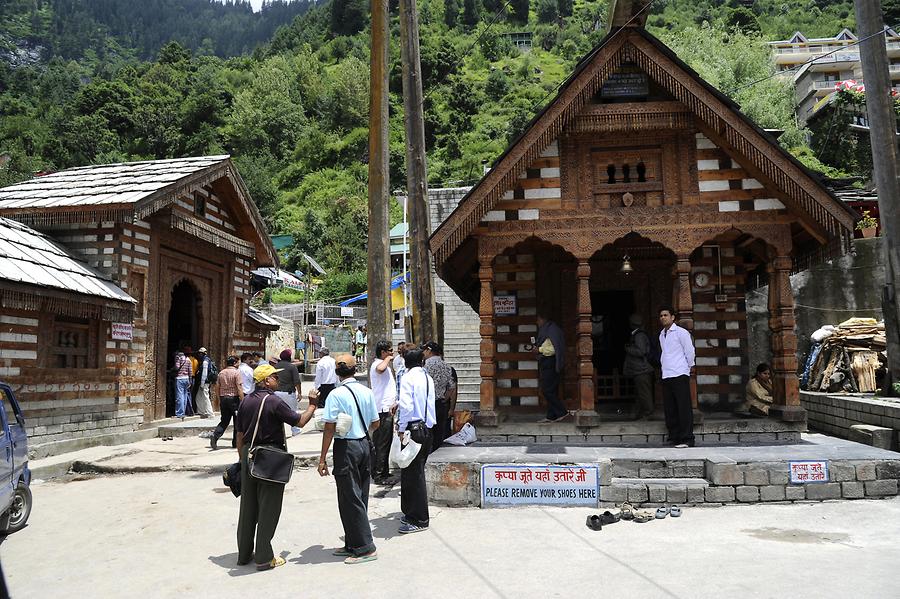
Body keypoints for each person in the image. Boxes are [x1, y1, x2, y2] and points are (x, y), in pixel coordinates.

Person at [235, 363, 317, 570]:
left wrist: (242, 459)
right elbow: (298, 422)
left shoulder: (245, 402)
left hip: (248, 453)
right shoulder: (273, 401)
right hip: (269, 455)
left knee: (248, 507)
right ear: (265, 381)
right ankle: (263, 556)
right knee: (269, 507)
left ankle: (244, 554)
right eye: (274, 377)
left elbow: (239, 435)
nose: (277, 380)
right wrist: (312, 406)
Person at [317, 354, 380, 564]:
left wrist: (322, 457)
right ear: (355, 370)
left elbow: (329, 427)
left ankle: (366, 548)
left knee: (349, 496)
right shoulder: (367, 391)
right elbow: (376, 423)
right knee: (357, 495)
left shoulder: (335, 395)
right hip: (363, 443)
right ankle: (353, 542)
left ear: (337, 372)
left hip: (346, 447)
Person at [396, 349, 436, 534]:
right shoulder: (427, 378)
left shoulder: (408, 378)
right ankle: (411, 512)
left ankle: (419, 519)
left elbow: (406, 405)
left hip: (413, 429)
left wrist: (401, 428)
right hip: (426, 428)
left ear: (405, 362)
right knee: (414, 472)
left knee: (413, 475)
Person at [658, 306, 696, 448]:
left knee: (683, 406)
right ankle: (674, 436)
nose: (663, 318)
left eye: (665, 315)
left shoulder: (681, 333)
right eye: (661, 315)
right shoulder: (662, 334)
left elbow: (690, 351)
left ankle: (687, 438)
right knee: (670, 407)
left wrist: (688, 366)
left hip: (680, 373)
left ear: (673, 317)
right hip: (667, 373)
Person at [369, 340, 397, 484]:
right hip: (382, 410)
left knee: (385, 442)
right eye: (390, 351)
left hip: (387, 409)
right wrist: (387, 359)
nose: (392, 353)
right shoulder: (378, 364)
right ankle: (379, 475)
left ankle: (383, 471)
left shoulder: (385, 366)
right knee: (382, 444)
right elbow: (380, 369)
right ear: (383, 352)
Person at [422, 341, 455, 451]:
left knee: (427, 433)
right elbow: (451, 387)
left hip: (427, 404)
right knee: (438, 434)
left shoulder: (425, 366)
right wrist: (444, 398)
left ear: (429, 350)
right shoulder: (447, 367)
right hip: (440, 403)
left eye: (425, 350)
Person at [535, 313, 567, 423]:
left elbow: (553, 349)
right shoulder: (547, 330)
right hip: (546, 362)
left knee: (547, 390)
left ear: (543, 319)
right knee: (551, 390)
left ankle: (562, 412)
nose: (537, 323)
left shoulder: (552, 330)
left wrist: (539, 350)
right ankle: (551, 415)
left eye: (538, 320)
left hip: (551, 362)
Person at [623, 314, 655, 420]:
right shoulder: (637, 334)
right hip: (639, 369)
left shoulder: (639, 336)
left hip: (642, 369)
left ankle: (648, 414)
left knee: (644, 394)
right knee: (640, 393)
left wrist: (628, 348)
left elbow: (641, 351)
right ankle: (641, 414)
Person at [211, 356, 244, 450]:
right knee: (237, 421)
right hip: (234, 399)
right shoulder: (236, 373)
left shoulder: (221, 373)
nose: (239, 364)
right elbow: (239, 387)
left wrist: (219, 399)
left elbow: (217, 387)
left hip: (223, 398)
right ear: (234, 363)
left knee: (224, 420)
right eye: (238, 362)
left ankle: (215, 436)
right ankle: (235, 443)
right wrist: (243, 400)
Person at [274, 349, 302, 437]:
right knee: (293, 412)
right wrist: (300, 393)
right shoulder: (292, 367)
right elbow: (297, 381)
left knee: (277, 413)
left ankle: (278, 431)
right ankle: (295, 430)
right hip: (288, 393)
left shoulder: (275, 366)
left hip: (277, 392)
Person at [171, 350, 193, 420]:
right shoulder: (188, 360)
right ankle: (183, 412)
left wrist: (172, 369)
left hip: (179, 378)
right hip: (186, 379)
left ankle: (180, 413)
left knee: (179, 396)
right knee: (185, 395)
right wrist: (190, 381)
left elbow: (177, 367)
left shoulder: (178, 358)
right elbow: (190, 371)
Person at [194, 347, 215, 418]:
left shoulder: (205, 361)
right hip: (205, 382)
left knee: (206, 397)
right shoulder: (206, 360)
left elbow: (204, 373)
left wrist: (202, 384)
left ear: (203, 354)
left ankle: (210, 413)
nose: (199, 355)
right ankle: (201, 411)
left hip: (205, 382)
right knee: (199, 397)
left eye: (200, 353)